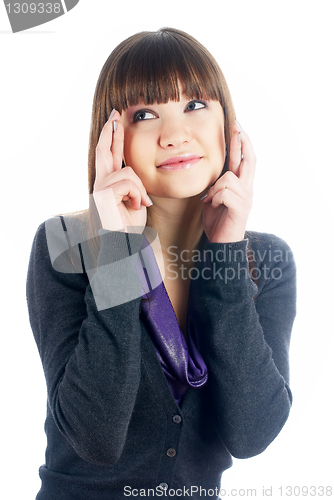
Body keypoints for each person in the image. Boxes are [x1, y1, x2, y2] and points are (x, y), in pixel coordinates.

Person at [26, 27, 297, 500]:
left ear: (228, 125)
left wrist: (226, 249)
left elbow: (253, 433)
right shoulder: (65, 246)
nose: (175, 135)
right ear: (111, 138)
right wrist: (116, 247)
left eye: (195, 105)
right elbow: (94, 437)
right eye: (146, 113)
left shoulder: (265, 259)